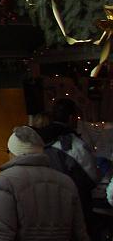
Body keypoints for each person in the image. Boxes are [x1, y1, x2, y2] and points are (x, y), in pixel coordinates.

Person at [36, 98, 98, 228]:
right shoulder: (75, 145)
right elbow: (91, 177)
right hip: (71, 209)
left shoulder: (36, 139)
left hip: (40, 204)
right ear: (71, 118)